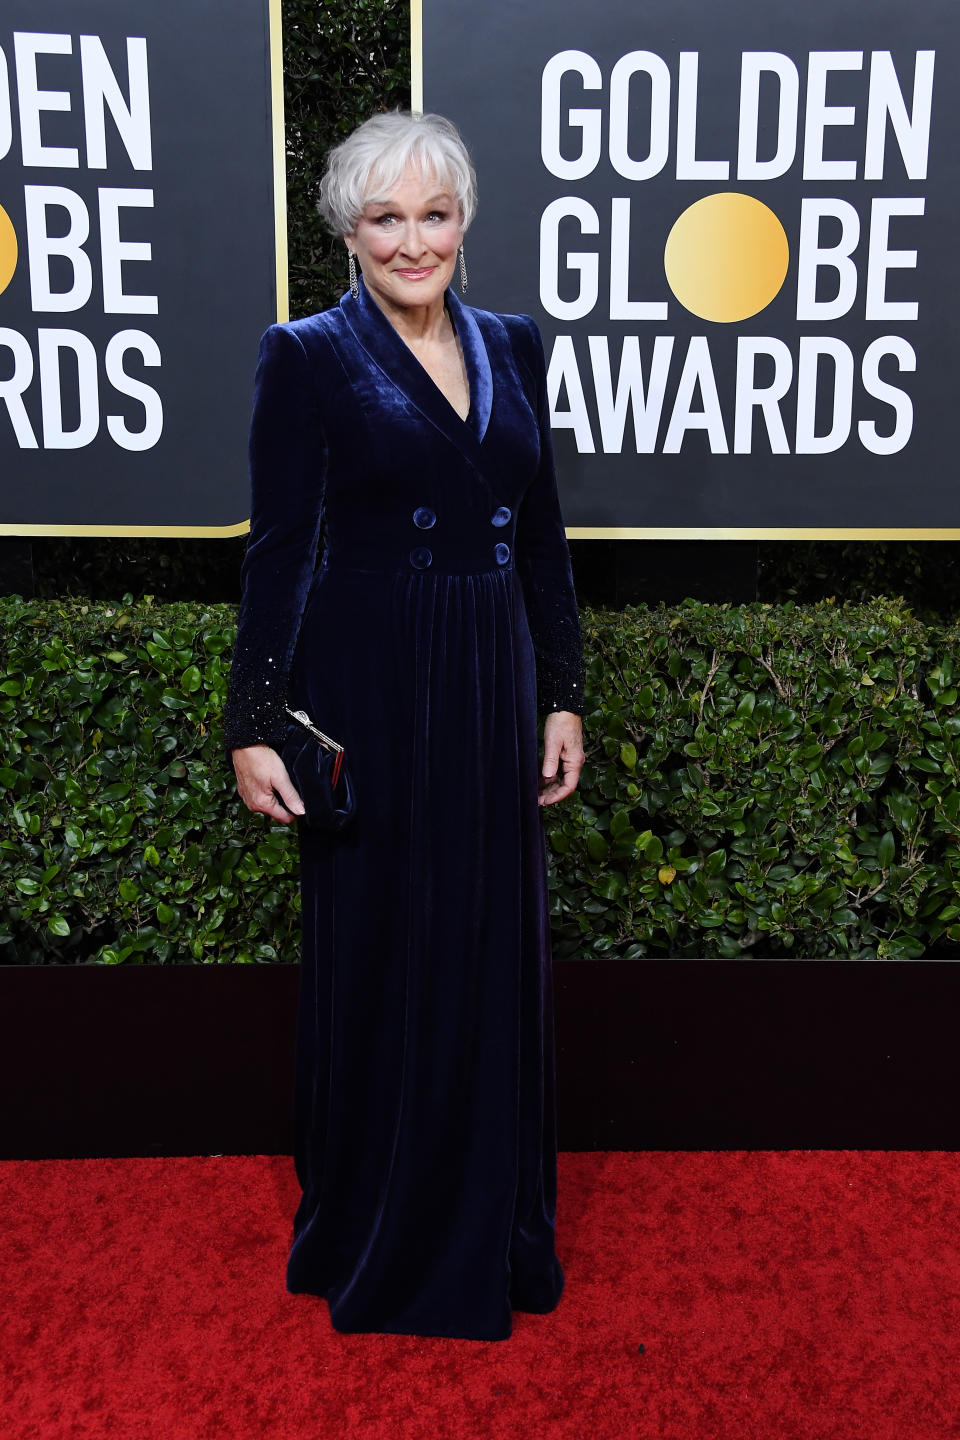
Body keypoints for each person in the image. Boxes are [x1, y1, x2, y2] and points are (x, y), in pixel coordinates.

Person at [224, 110, 585, 1342]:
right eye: (386, 216)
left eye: (434, 213)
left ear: (464, 222)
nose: (413, 239)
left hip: (492, 674)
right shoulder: (309, 355)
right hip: (371, 681)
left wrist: (563, 689)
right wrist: (256, 720)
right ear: (348, 230)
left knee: (484, 941)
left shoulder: (515, 344)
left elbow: (541, 534)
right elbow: (278, 551)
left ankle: (492, 1223)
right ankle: (379, 1223)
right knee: (383, 941)